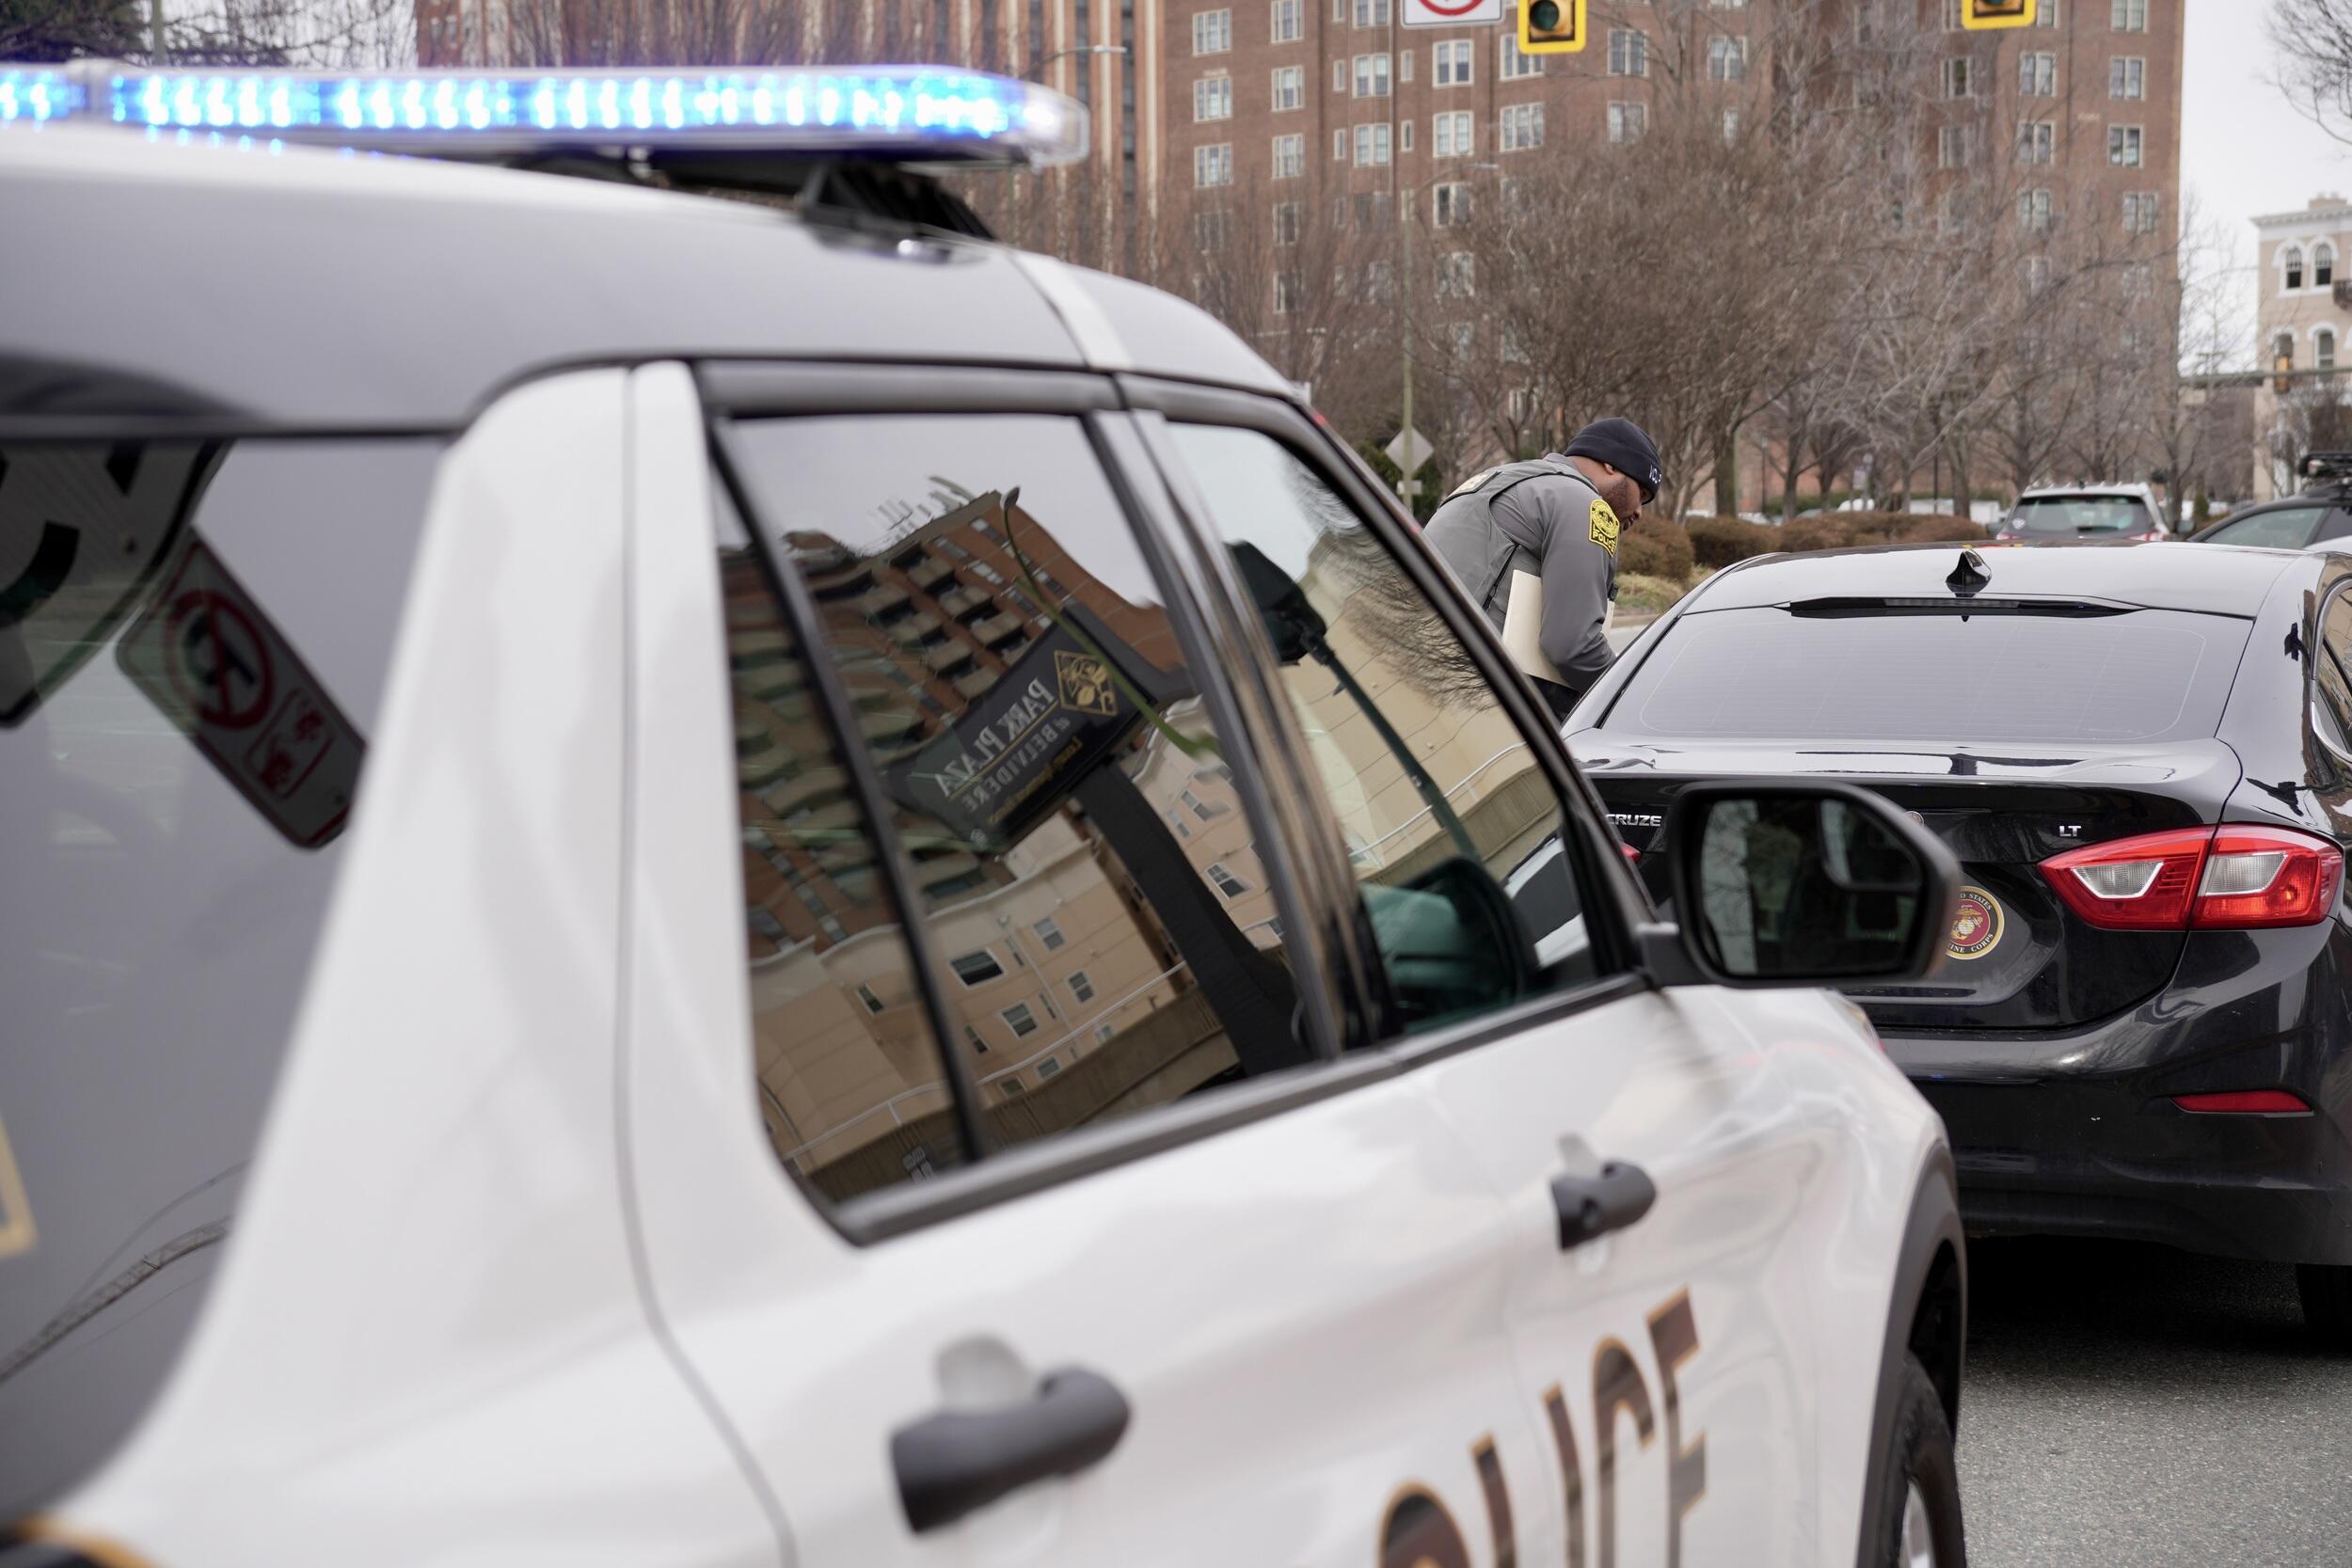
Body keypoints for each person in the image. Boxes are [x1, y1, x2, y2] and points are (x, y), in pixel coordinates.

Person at [1422, 417, 1662, 720]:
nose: (1639, 512)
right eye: (1641, 493)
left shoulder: (1501, 477)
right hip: (1473, 696)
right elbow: (1573, 646)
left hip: (1420, 666)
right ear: (1611, 465)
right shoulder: (1586, 505)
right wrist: (1627, 698)